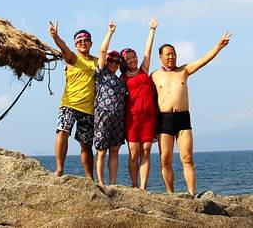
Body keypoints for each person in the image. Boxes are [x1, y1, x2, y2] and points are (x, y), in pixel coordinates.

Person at [150, 31, 232, 197]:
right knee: (165, 159)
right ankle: (171, 194)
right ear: (160, 57)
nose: (171, 57)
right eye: (168, 54)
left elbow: (203, 60)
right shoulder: (154, 76)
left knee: (187, 158)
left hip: (183, 118)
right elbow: (148, 100)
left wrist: (219, 46)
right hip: (164, 120)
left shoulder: (184, 70)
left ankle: (191, 194)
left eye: (174, 54)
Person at [48, 21, 97, 180]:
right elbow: (64, 48)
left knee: (86, 144)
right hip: (69, 104)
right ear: (75, 44)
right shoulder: (72, 58)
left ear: (91, 43)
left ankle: (89, 177)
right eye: (79, 41)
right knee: (63, 132)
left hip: (88, 109)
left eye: (86, 40)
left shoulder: (96, 61)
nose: (83, 43)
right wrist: (55, 37)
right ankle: (59, 169)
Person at [120, 17, 159, 190]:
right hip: (132, 120)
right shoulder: (122, 78)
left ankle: (142, 186)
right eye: (128, 58)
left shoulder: (143, 71)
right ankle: (134, 184)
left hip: (149, 119)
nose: (133, 60)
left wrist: (152, 30)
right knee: (134, 153)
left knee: (146, 152)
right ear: (123, 62)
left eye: (134, 57)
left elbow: (147, 51)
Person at [92, 21, 127, 186]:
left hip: (118, 118)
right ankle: (100, 182)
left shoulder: (120, 80)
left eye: (116, 61)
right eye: (110, 60)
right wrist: (110, 33)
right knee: (101, 151)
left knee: (115, 151)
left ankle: (112, 183)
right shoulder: (101, 73)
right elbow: (102, 51)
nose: (113, 63)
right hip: (103, 115)